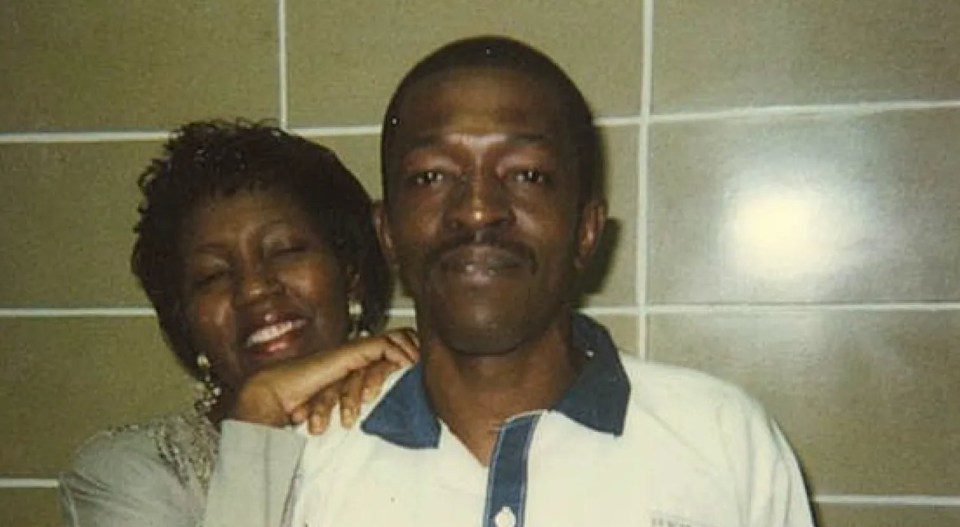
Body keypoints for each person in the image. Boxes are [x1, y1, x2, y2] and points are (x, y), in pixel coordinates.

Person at [211, 36, 815, 527]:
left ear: (586, 229)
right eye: (430, 177)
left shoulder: (721, 440)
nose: (477, 210)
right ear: (387, 231)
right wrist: (253, 426)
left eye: (526, 174)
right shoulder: (305, 457)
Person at [58, 120, 418, 526]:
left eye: (284, 250)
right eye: (212, 275)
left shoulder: (423, 423)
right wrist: (259, 412)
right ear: (184, 318)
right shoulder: (127, 476)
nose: (253, 289)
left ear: (348, 271)